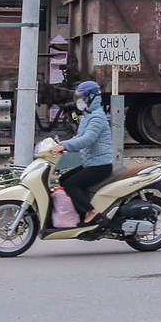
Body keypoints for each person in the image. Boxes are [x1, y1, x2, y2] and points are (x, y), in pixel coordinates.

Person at [50, 80, 114, 224]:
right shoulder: (89, 115)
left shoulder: (97, 116)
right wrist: (59, 144)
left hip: (100, 166)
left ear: (92, 98)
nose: (80, 101)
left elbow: (87, 139)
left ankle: (93, 213)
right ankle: (80, 214)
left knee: (72, 183)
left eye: (82, 97)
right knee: (64, 179)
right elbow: (79, 137)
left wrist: (65, 146)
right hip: (91, 163)